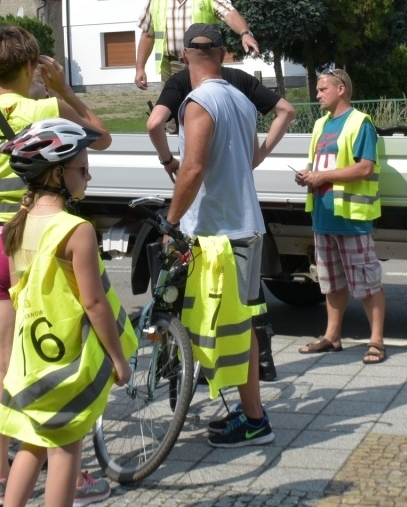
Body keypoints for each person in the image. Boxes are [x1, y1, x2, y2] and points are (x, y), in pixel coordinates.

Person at [0, 25, 110, 507]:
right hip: (33, 240)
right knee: (52, 356)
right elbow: (100, 138)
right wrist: (63, 88)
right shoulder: (43, 109)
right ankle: (70, 466)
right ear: (31, 66)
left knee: (3, 361)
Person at [0, 119, 134, 507]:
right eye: (83, 169)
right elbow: (93, 303)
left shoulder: (18, 224)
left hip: (30, 357)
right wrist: (119, 358)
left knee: (31, 442)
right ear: (57, 173)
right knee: (66, 446)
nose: (88, 177)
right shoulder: (77, 230)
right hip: (64, 357)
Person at [166, 23, 273, 447]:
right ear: (225, 54)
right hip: (246, 224)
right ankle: (250, 414)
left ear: (184, 55)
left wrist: (171, 221)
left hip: (215, 232)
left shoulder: (198, 102)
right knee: (241, 326)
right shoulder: (243, 101)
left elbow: (191, 168)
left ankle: (253, 418)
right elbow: (248, 158)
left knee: (206, 319)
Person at [295, 67, 389, 364]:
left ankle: (376, 341)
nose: (317, 94)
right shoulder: (321, 124)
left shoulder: (361, 123)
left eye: (323, 89)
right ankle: (332, 336)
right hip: (323, 218)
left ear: (341, 89)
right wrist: (308, 176)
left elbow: (365, 167)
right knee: (330, 282)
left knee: (367, 283)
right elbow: (321, 166)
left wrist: (322, 177)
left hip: (352, 220)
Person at [133, 0, 261, 90]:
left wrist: (245, 33)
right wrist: (140, 68)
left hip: (204, 64)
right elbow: (147, 35)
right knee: (172, 109)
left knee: (204, 107)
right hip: (170, 67)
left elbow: (230, 13)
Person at [147, 65, 295, 180]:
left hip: (198, 184)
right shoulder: (241, 78)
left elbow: (154, 123)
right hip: (239, 181)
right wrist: (259, 156)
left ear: (185, 56)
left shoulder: (180, 80)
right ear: (222, 53)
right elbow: (286, 111)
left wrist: (168, 161)